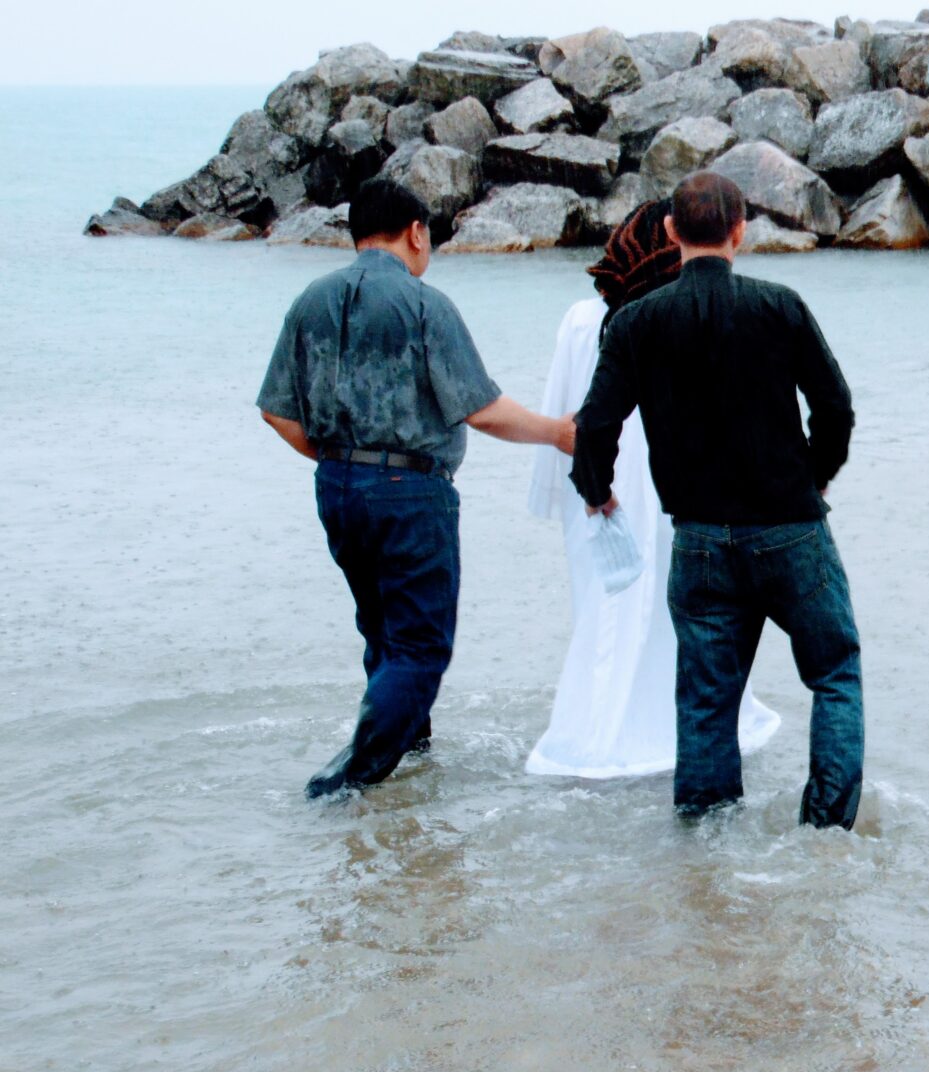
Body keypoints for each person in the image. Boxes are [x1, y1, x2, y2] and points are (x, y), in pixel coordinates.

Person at [258, 178, 576, 800]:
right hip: (410, 489)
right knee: (422, 647)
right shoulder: (424, 303)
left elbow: (277, 412)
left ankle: (406, 753)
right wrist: (557, 433)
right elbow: (481, 411)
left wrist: (341, 463)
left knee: (382, 633)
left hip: (337, 485)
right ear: (415, 233)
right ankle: (350, 782)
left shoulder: (309, 301)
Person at [570, 172, 864, 829]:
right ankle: (824, 830)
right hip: (791, 527)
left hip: (700, 539)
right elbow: (836, 408)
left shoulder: (634, 323)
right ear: (741, 231)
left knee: (706, 700)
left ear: (671, 232)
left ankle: (706, 852)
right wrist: (817, 476)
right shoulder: (779, 306)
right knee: (835, 675)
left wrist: (598, 493)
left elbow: (595, 426)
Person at [525, 201, 780, 778]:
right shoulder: (693, 314)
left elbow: (562, 415)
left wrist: (557, 493)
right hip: (679, 487)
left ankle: (598, 731)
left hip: (597, 488)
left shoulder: (582, 320)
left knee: (604, 612)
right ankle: (672, 728)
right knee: (684, 614)